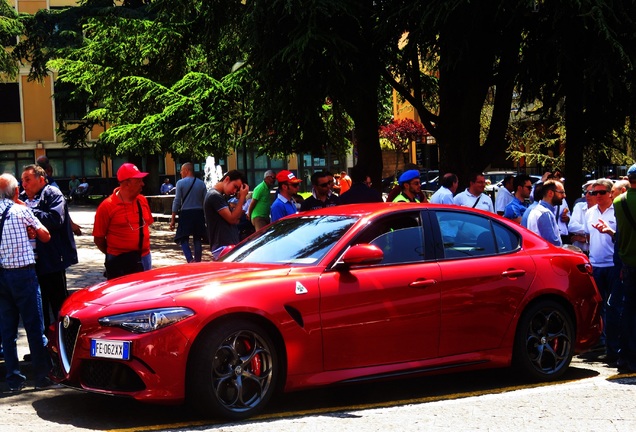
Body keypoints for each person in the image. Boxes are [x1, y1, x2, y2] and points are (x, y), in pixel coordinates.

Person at [0, 173, 55, 391]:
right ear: (15, 192)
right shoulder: (22, 210)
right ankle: (42, 376)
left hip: (1, 276)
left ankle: (14, 379)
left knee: (7, 330)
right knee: (34, 326)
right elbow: (45, 235)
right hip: (23, 275)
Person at [20, 164, 78, 329]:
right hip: (30, 260)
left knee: (58, 303)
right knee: (37, 305)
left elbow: (54, 220)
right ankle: (42, 348)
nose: (23, 184)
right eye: (22, 180)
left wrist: (29, 213)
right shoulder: (23, 198)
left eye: (28, 180)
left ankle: (62, 346)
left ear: (41, 180)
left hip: (52, 259)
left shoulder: (52, 193)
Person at [93, 163, 154, 278]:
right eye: (138, 181)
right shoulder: (107, 206)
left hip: (144, 257)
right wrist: (114, 253)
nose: (143, 184)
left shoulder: (142, 201)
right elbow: (98, 238)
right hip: (119, 261)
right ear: (127, 183)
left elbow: (147, 225)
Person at [584, 178, 619, 362]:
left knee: (614, 307)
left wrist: (609, 232)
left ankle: (615, 345)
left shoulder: (618, 210)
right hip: (596, 265)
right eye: (593, 193)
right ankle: (603, 342)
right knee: (599, 306)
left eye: (601, 192)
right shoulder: (589, 213)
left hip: (613, 265)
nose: (596, 196)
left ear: (610, 193)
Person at [613, 164, 636, 372]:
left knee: (628, 310)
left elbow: (620, 234)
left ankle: (626, 355)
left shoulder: (619, 201)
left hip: (628, 262)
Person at [204, 170, 249, 260]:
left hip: (226, 246)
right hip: (222, 247)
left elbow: (236, 220)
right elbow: (232, 219)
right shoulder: (215, 196)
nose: (234, 191)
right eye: (235, 187)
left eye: (237, 190)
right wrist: (242, 197)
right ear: (227, 179)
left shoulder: (220, 196)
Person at [169, 163, 207, 263]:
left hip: (186, 214)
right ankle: (198, 261)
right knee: (197, 239)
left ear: (186, 170)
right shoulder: (201, 183)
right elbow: (205, 202)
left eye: (181, 170)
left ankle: (190, 260)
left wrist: (173, 219)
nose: (181, 173)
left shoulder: (180, 183)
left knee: (183, 238)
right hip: (199, 214)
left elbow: (177, 201)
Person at [525, 179, 565, 246]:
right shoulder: (544, 213)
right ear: (550, 193)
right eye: (561, 192)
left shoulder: (537, 210)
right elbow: (553, 243)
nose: (564, 196)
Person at [569, 182, 595, 254]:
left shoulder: (601, 210)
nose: (587, 195)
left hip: (595, 253)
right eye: (585, 192)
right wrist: (592, 232)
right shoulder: (579, 206)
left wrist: (584, 238)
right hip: (579, 252)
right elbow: (571, 227)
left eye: (590, 193)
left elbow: (603, 235)